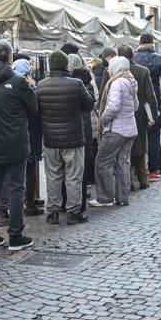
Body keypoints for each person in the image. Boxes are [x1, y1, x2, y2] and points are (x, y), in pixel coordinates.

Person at [0, 42, 37, 251]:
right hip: (15, 142)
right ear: (9, 58)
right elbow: (33, 107)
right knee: (16, 188)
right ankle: (16, 235)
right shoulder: (18, 82)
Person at [35, 50, 94, 225]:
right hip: (73, 139)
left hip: (51, 140)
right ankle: (73, 212)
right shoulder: (76, 84)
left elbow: (36, 110)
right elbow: (89, 104)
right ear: (65, 65)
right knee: (74, 176)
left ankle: (53, 212)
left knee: (53, 176)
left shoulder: (41, 85)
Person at [91, 56, 138, 206]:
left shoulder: (117, 83)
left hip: (116, 130)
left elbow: (113, 107)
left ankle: (104, 198)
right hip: (130, 129)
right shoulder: (131, 82)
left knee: (102, 162)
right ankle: (122, 198)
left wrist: (103, 119)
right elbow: (136, 105)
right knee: (123, 163)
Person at [133, 34, 161, 181]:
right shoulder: (159, 58)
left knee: (137, 135)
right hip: (153, 101)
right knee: (154, 137)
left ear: (140, 43)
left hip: (135, 102)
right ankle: (153, 170)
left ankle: (138, 170)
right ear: (152, 43)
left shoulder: (133, 58)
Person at [120, 46, 156, 190]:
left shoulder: (111, 71)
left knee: (124, 151)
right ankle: (143, 180)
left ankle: (127, 183)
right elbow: (150, 96)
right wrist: (152, 116)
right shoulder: (142, 71)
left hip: (120, 116)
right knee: (140, 147)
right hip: (139, 114)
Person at [12, 59, 44, 217]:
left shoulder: (9, 86)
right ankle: (29, 203)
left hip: (15, 133)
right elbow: (35, 109)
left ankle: (25, 201)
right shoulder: (29, 87)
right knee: (30, 170)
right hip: (31, 132)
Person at [67, 53, 97, 212]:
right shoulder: (86, 82)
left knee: (63, 171)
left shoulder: (58, 82)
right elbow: (92, 102)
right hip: (83, 128)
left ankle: (61, 205)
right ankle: (77, 203)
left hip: (60, 133)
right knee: (80, 167)